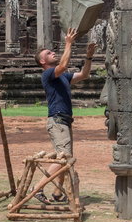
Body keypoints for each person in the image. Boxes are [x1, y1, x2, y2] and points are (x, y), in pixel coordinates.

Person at [34, 27, 96, 203]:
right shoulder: (48, 74)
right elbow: (63, 65)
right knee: (65, 156)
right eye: (49, 53)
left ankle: (57, 193)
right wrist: (68, 43)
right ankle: (37, 188)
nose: (52, 53)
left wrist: (89, 56)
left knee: (64, 156)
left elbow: (84, 74)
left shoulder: (63, 77)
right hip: (57, 119)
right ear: (42, 61)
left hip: (65, 121)